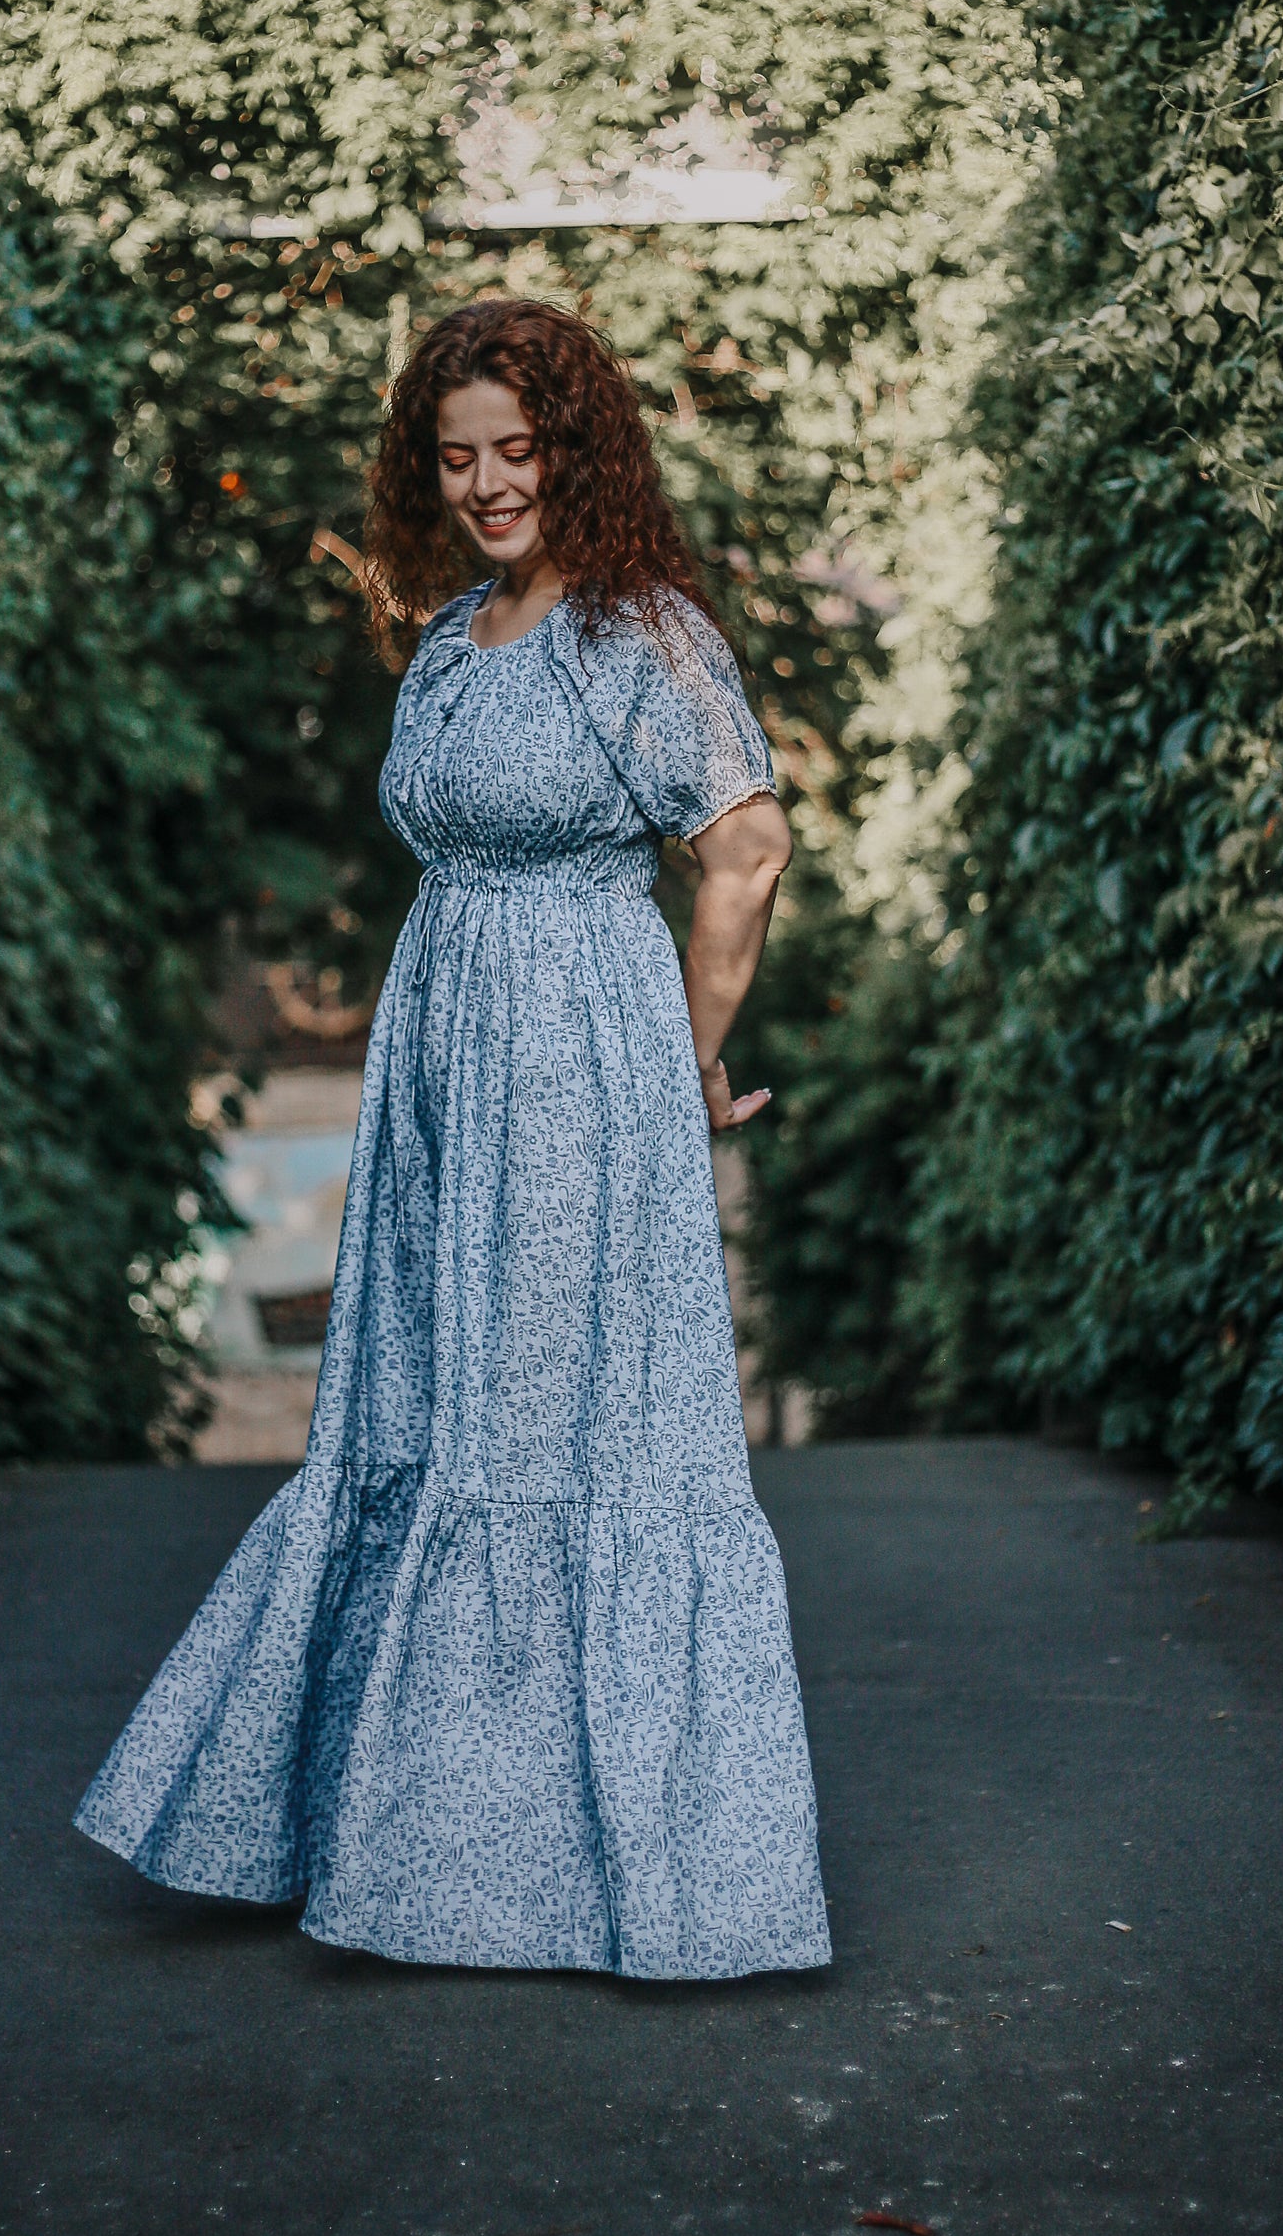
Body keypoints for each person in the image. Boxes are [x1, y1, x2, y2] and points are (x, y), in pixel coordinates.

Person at [75, 297, 830, 1978]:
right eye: (459, 455)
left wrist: (683, 1065)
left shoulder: (639, 631)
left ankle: (563, 1872)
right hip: (446, 1072)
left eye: (520, 449)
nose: (490, 484)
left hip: (571, 1066)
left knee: (549, 1426)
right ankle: (392, 1831)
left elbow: (748, 847)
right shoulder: (455, 633)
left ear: (582, 450)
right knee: (428, 1406)